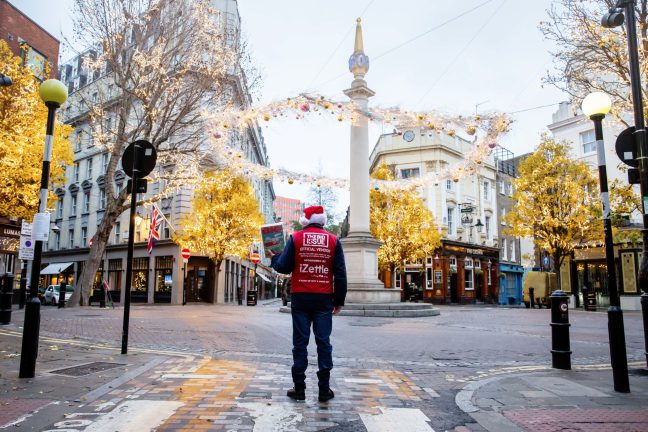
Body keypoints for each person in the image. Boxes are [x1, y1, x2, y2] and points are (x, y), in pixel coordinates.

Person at [271, 205, 347, 402]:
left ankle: (299, 388)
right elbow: (340, 274)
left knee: (300, 343)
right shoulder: (333, 240)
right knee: (323, 342)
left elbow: (284, 266)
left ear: (306, 221)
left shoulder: (295, 238)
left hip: (301, 297)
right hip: (323, 298)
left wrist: (274, 257)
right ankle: (324, 389)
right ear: (322, 221)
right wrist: (338, 300)